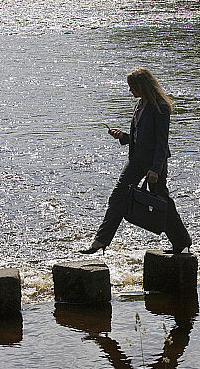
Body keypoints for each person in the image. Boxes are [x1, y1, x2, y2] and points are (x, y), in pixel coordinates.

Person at [80, 67, 192, 254]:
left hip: (154, 163)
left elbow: (161, 142)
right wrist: (123, 136)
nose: (130, 91)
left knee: (162, 201)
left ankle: (181, 240)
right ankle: (101, 241)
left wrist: (156, 169)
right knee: (118, 196)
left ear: (142, 86)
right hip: (135, 160)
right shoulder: (140, 104)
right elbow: (139, 135)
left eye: (132, 87)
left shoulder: (161, 107)